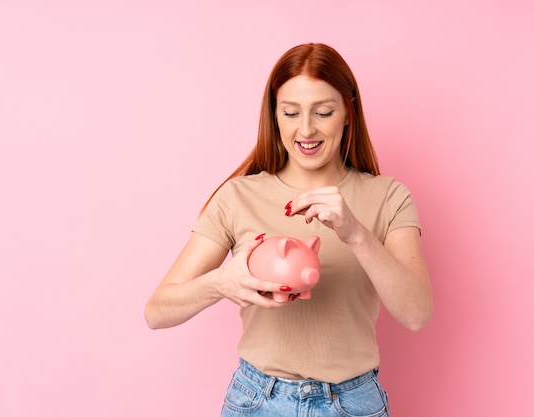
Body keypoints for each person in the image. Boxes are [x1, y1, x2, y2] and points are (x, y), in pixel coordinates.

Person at [145, 42, 433, 417]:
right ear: (274, 115)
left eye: (324, 112)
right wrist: (222, 283)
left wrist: (356, 234)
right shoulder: (238, 197)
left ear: (349, 112)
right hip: (256, 399)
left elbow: (416, 314)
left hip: (353, 403)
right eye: (291, 112)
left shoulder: (389, 197)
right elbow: (157, 312)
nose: (306, 129)